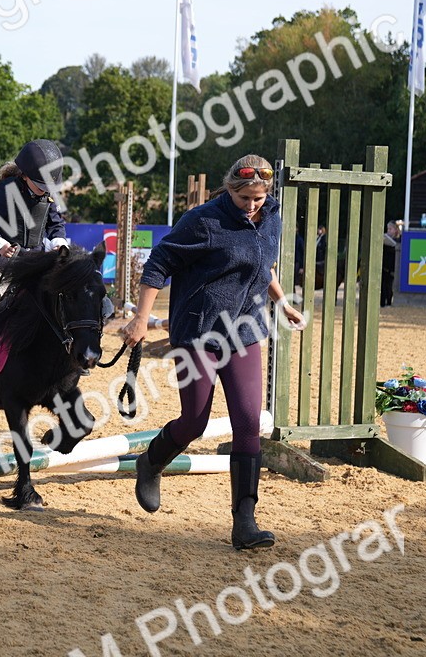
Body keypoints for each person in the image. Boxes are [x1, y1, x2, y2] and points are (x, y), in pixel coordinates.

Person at [119, 155, 305, 551]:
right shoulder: (203, 220)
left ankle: (245, 522)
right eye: (244, 198)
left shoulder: (272, 216)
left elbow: (263, 263)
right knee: (195, 421)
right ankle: (151, 462)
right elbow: (158, 264)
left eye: (258, 198)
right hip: (199, 331)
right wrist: (141, 319)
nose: (251, 205)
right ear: (229, 190)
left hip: (245, 332)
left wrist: (282, 302)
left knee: (248, 422)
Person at [0, 139, 70, 370]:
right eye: (40, 185)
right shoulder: (7, 189)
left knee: (65, 291)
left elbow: (56, 224)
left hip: (38, 258)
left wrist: (59, 243)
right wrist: (0, 245)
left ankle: (72, 351)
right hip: (7, 259)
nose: (45, 190)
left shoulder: (48, 193)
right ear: (25, 176)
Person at [381, 219, 402, 307]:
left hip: (393, 268)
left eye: (390, 229)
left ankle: (389, 301)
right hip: (384, 267)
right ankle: (382, 302)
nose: (388, 231)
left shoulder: (399, 240)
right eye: (388, 229)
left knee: (390, 286)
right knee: (383, 285)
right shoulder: (385, 240)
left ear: (396, 230)